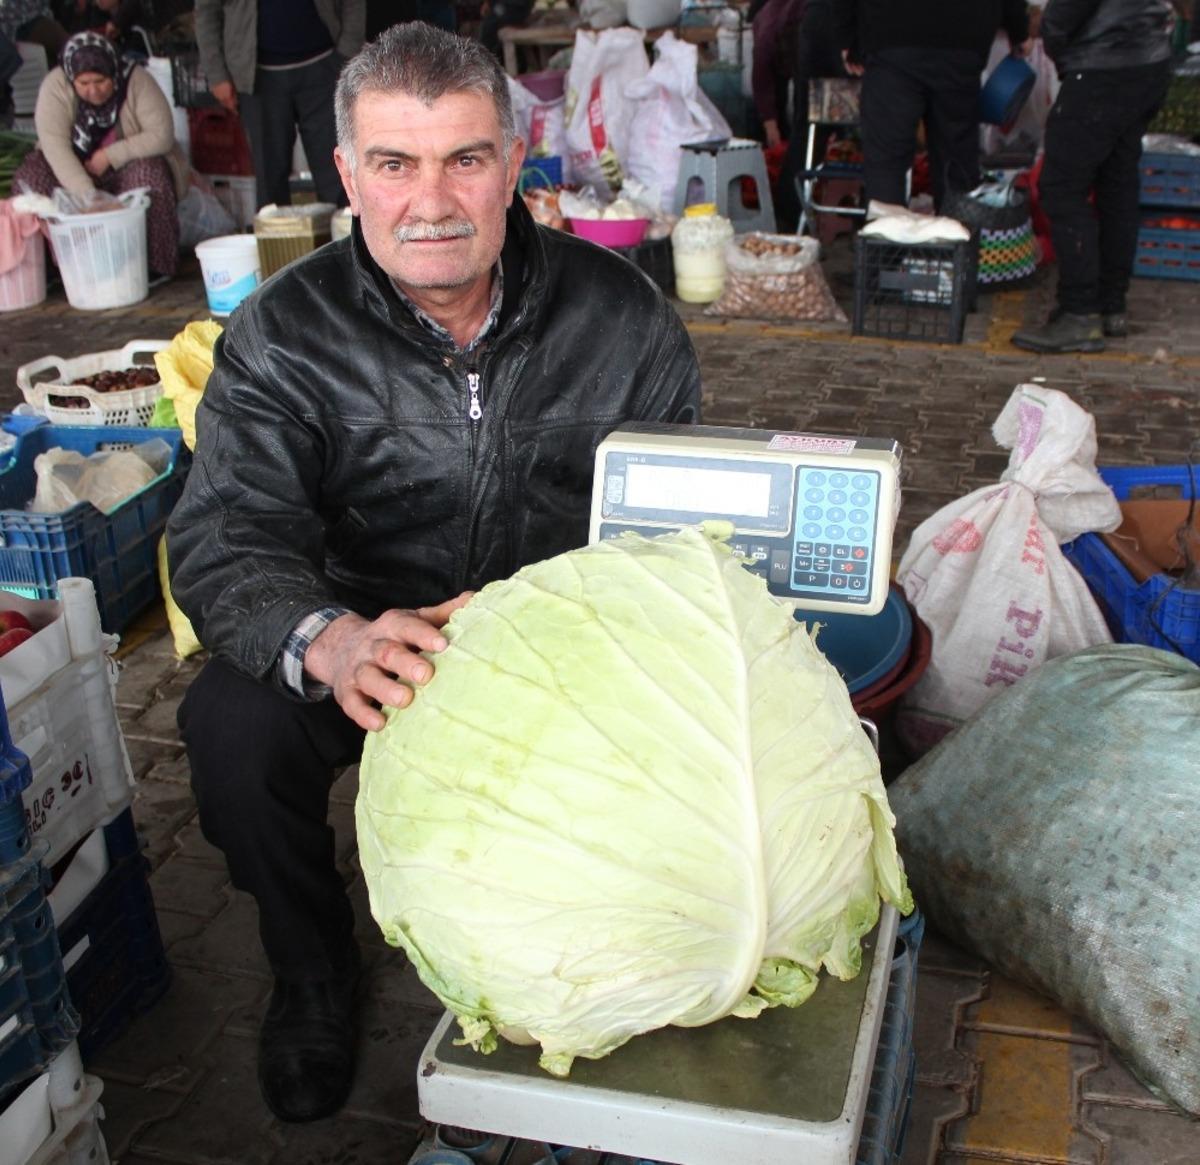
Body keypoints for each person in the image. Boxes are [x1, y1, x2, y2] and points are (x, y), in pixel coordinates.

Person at [165, 21, 701, 1125]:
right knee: (232, 723)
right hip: (375, 639)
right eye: (396, 164)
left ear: (514, 164)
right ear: (349, 175)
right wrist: (325, 635)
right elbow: (226, 533)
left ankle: (589, 941)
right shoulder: (281, 334)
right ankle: (312, 966)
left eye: (465, 158)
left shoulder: (624, 315)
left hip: (559, 649)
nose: (433, 199)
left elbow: (672, 531)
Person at [1011, 0, 1175, 354]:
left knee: (1061, 188)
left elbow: (1064, 14)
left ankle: (1080, 311)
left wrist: (1059, 50)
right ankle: (1110, 304)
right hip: (1148, 61)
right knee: (1117, 184)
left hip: (1103, 65)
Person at [11, 29, 188, 274]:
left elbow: (161, 135)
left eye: (100, 81)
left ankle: (152, 267)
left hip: (124, 168)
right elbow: (55, 147)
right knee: (28, 180)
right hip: (72, 172)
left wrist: (109, 156)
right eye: (84, 84)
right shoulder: (55, 86)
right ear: (72, 79)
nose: (93, 91)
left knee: (151, 176)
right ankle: (59, 271)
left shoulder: (136, 80)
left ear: (113, 73)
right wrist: (88, 195)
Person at [835, 0, 1030, 211]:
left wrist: (847, 36)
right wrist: (1019, 29)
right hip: (962, 40)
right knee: (956, 164)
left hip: (891, 38)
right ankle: (958, 236)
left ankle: (885, 239)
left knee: (887, 161)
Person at [193, 0, 365, 209]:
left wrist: (348, 51)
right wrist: (217, 74)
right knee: (269, 183)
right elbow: (206, 11)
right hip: (258, 77)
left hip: (324, 67)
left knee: (339, 175)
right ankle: (275, 241)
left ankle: (348, 239)